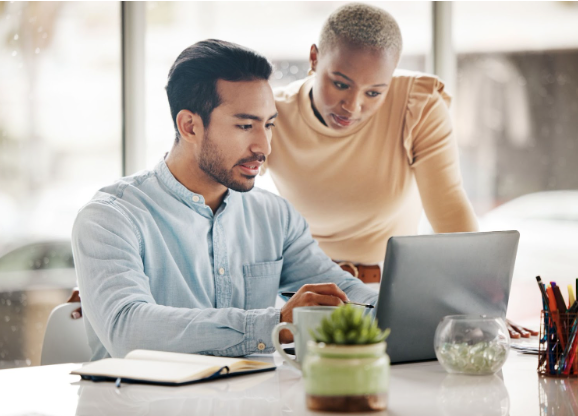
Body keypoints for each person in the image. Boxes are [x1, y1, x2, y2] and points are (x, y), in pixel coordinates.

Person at [71, 39, 377, 360]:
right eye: (245, 125)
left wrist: (397, 310)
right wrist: (277, 323)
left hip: (254, 403)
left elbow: (341, 291)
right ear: (189, 126)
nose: (264, 147)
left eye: (268, 125)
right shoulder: (110, 218)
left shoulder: (275, 216)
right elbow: (128, 329)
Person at [265, 3, 535, 338]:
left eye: (374, 92)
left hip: (392, 296)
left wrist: (478, 305)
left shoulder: (416, 104)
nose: (353, 105)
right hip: (309, 297)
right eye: (340, 84)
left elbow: (449, 207)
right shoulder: (272, 113)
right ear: (314, 58)